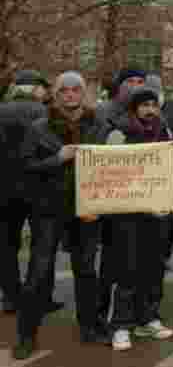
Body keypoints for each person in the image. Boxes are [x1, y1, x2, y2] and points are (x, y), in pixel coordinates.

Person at [15, 72, 110, 360]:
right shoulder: (39, 127)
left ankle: (89, 327)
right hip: (48, 209)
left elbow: (114, 166)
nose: (70, 95)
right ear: (55, 95)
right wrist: (58, 158)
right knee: (38, 272)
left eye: (75, 90)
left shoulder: (100, 125)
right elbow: (26, 166)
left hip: (86, 208)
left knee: (86, 270)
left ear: (83, 93)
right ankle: (26, 335)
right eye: (64, 90)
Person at [104, 87, 173, 351]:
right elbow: (108, 169)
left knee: (153, 267)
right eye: (144, 105)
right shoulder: (118, 133)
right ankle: (121, 325)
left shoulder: (165, 131)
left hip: (156, 212)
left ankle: (148, 318)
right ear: (134, 108)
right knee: (127, 268)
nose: (149, 110)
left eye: (153, 105)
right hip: (126, 213)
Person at [0, 70, 52, 315]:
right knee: (41, 247)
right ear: (35, 89)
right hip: (38, 186)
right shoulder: (43, 112)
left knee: (7, 246)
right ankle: (38, 297)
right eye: (43, 87)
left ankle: (11, 297)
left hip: (5, 188)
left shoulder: (2, 110)